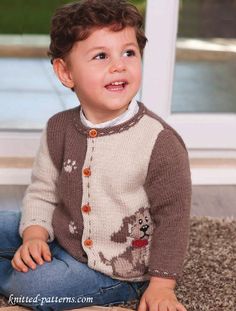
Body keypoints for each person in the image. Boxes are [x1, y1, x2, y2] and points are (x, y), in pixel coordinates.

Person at [0, 0, 192, 310]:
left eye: (128, 52)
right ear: (65, 72)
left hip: (114, 270)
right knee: (6, 224)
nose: (119, 65)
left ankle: (25, 275)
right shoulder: (59, 128)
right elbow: (43, 191)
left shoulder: (160, 142)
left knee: (36, 288)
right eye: (101, 56)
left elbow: (173, 219)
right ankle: (33, 254)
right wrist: (35, 235)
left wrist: (161, 285)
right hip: (62, 233)